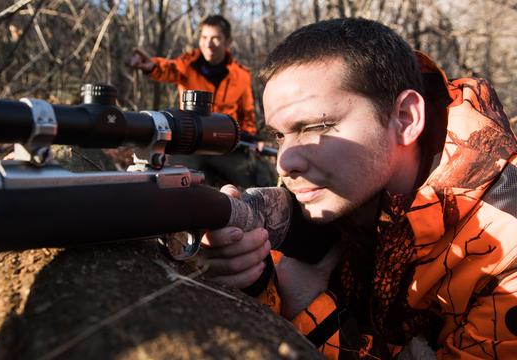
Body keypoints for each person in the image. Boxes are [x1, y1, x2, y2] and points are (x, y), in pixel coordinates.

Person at [201, 17, 517, 358]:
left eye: (316, 126)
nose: (283, 162)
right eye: (279, 135)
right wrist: (256, 274)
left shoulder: (508, 247)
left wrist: (309, 307)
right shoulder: (342, 192)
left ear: (406, 119)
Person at [130, 15, 276, 188]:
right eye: (204, 37)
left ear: (228, 42)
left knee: (260, 177)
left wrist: (251, 139)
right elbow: (168, 68)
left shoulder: (241, 74)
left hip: (225, 144)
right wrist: (152, 66)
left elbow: (247, 112)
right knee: (171, 181)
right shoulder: (188, 64)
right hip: (191, 142)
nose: (208, 43)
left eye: (215, 38)